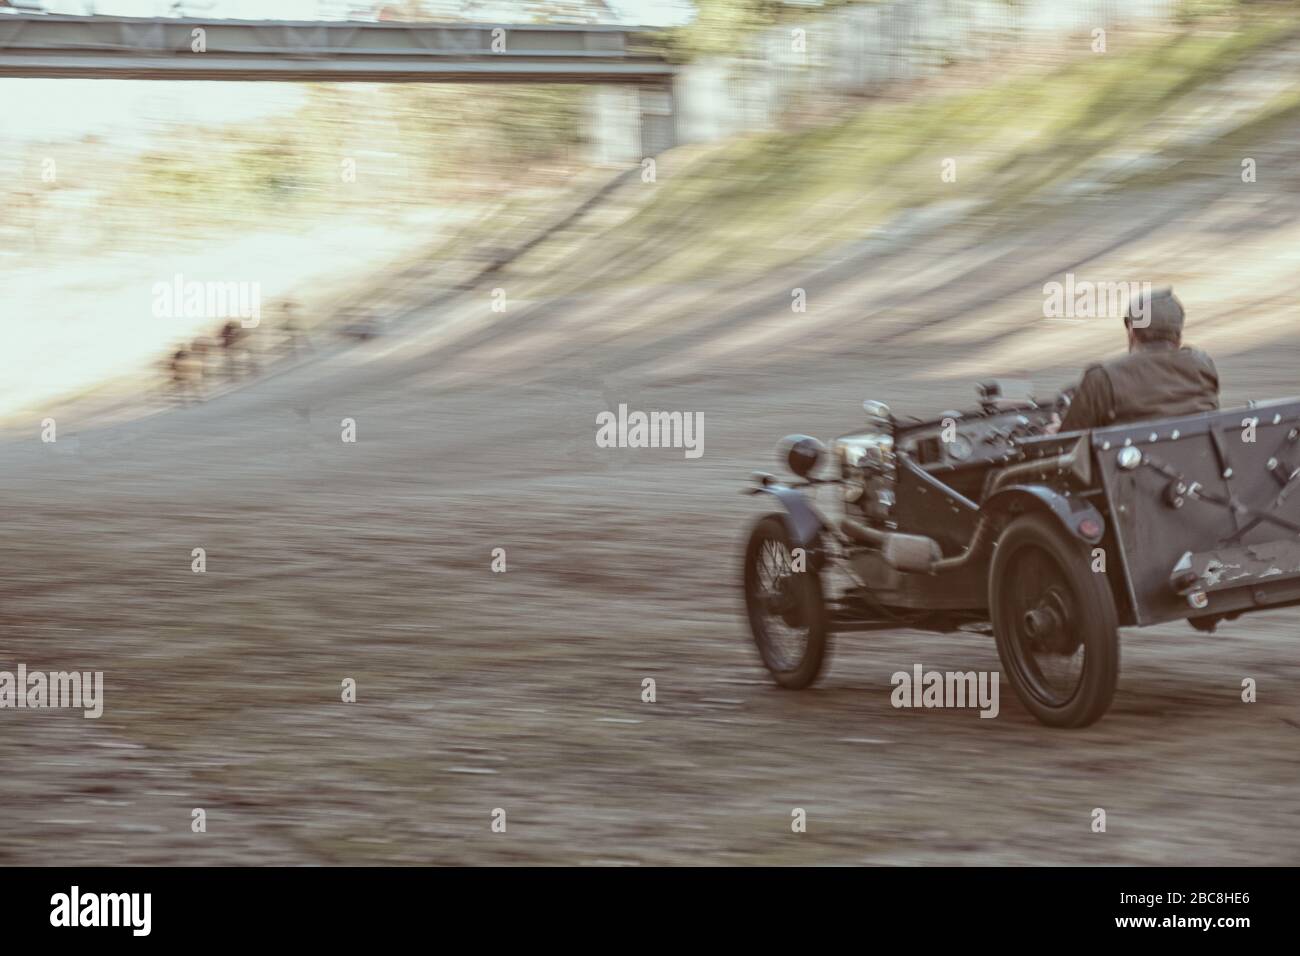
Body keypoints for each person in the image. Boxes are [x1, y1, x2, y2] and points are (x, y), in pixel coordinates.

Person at [1055, 288, 1219, 433]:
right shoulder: (1202, 366)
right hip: (1199, 464)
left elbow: (1068, 444)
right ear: (1178, 333)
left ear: (1132, 330)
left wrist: (1053, 433)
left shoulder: (1103, 378)